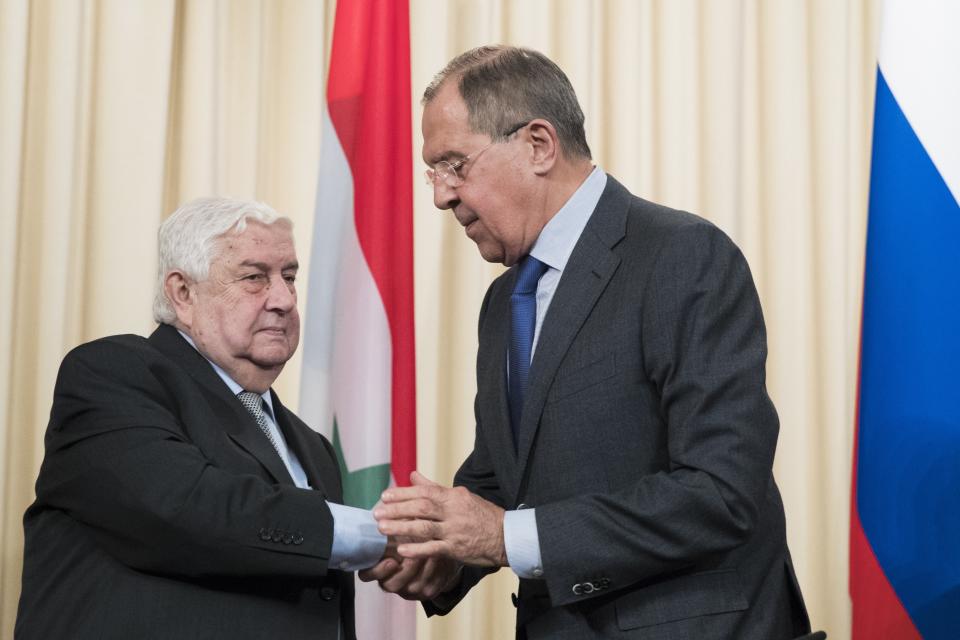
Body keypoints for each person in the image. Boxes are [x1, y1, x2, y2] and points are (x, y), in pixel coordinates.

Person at [364, 45, 812, 639]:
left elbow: (720, 491)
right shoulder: (504, 302)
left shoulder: (680, 255)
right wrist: (446, 551)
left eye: (454, 165)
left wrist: (500, 536)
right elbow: (507, 477)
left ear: (539, 145)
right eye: (434, 172)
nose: (442, 196)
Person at [15, 197, 391, 639]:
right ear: (183, 293)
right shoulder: (115, 373)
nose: (285, 300)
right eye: (255, 278)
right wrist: (379, 535)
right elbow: (187, 510)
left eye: (289, 277)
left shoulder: (313, 446)